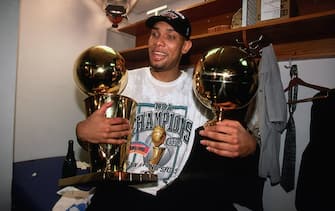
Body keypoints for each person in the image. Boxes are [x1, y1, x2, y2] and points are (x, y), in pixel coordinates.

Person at [76, 9, 264, 211]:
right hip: (123, 193)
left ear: (186, 46)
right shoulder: (123, 82)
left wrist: (251, 146)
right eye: (155, 34)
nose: (159, 42)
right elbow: (98, 139)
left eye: (171, 36)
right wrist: (82, 132)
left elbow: (233, 148)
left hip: (176, 197)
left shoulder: (203, 91)